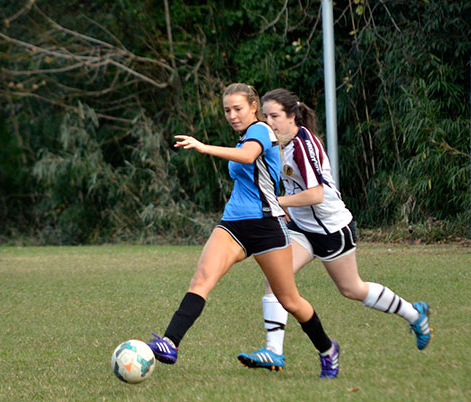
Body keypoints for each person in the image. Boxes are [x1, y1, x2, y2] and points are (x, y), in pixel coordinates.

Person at [147, 83, 341, 378]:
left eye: (238, 108)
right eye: (227, 110)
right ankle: (170, 343)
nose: (232, 115)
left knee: (289, 300)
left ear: (253, 107)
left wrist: (203, 146)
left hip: (267, 225)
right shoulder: (241, 139)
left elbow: (249, 156)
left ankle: (328, 350)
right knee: (202, 279)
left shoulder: (262, 130)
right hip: (234, 222)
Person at [237, 88, 432, 372]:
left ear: (292, 116)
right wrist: (285, 209)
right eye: (265, 116)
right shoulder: (274, 144)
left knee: (352, 289)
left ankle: (415, 314)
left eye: (275, 116)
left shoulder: (303, 145)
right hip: (303, 230)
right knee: (275, 279)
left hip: (331, 229)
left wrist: (276, 202)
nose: (269, 122)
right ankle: (273, 351)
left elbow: (315, 194)